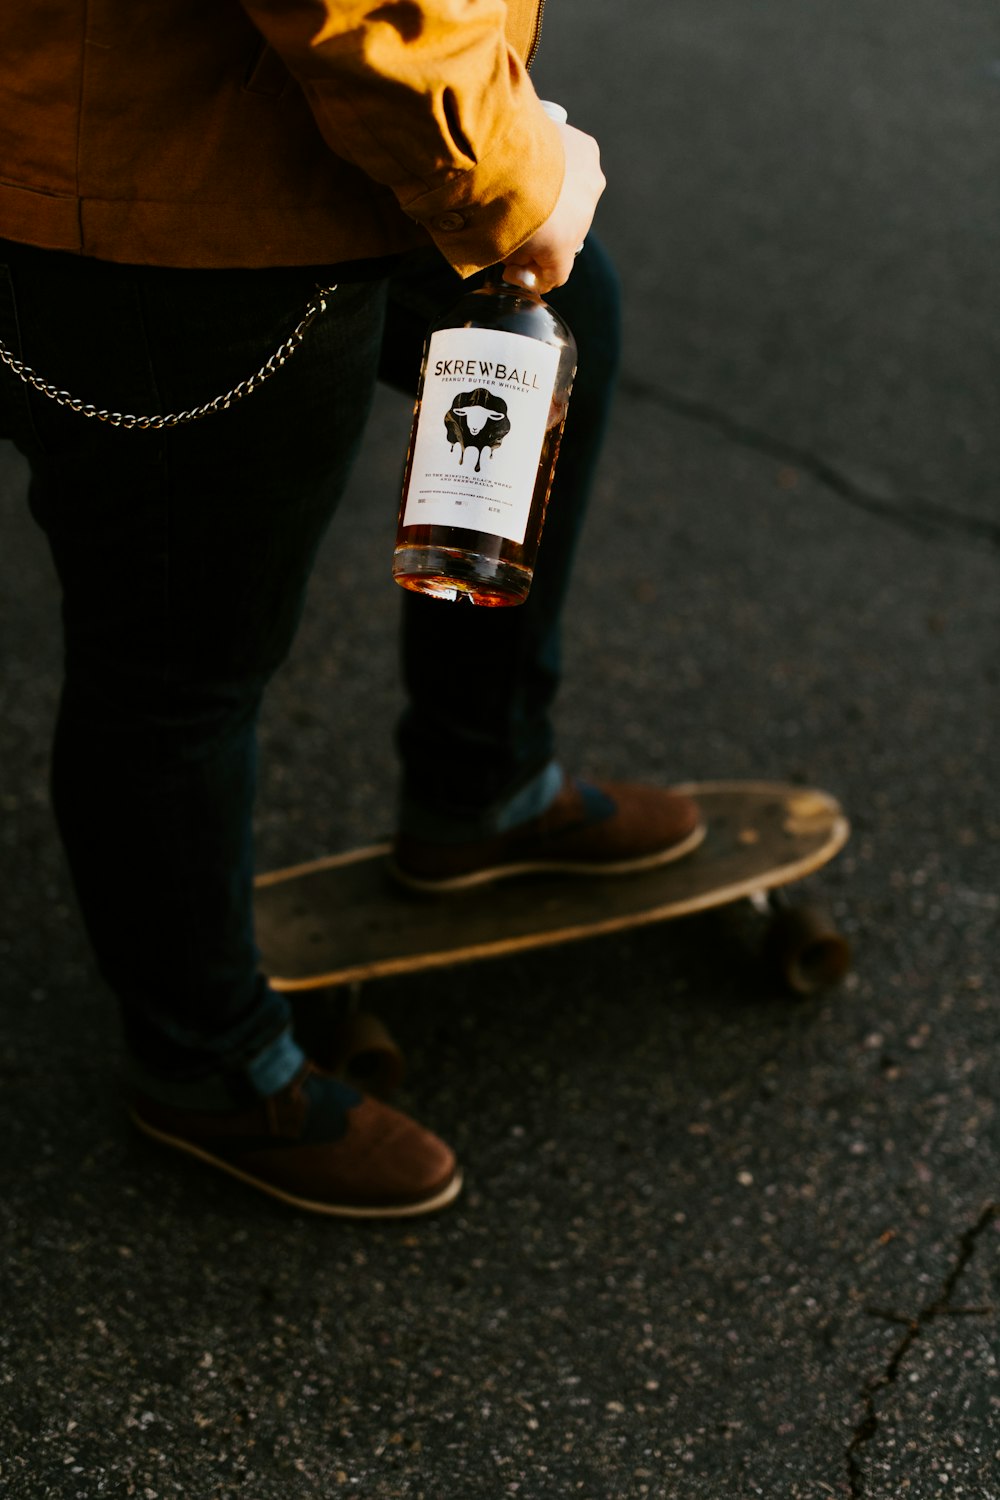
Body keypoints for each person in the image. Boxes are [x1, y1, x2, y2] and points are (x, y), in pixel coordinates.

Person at [0, 1, 703, 1219]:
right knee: (180, 665)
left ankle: (481, 783)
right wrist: (510, 176)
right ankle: (206, 1062)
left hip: (297, 128)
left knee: (564, 323)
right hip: (174, 194)